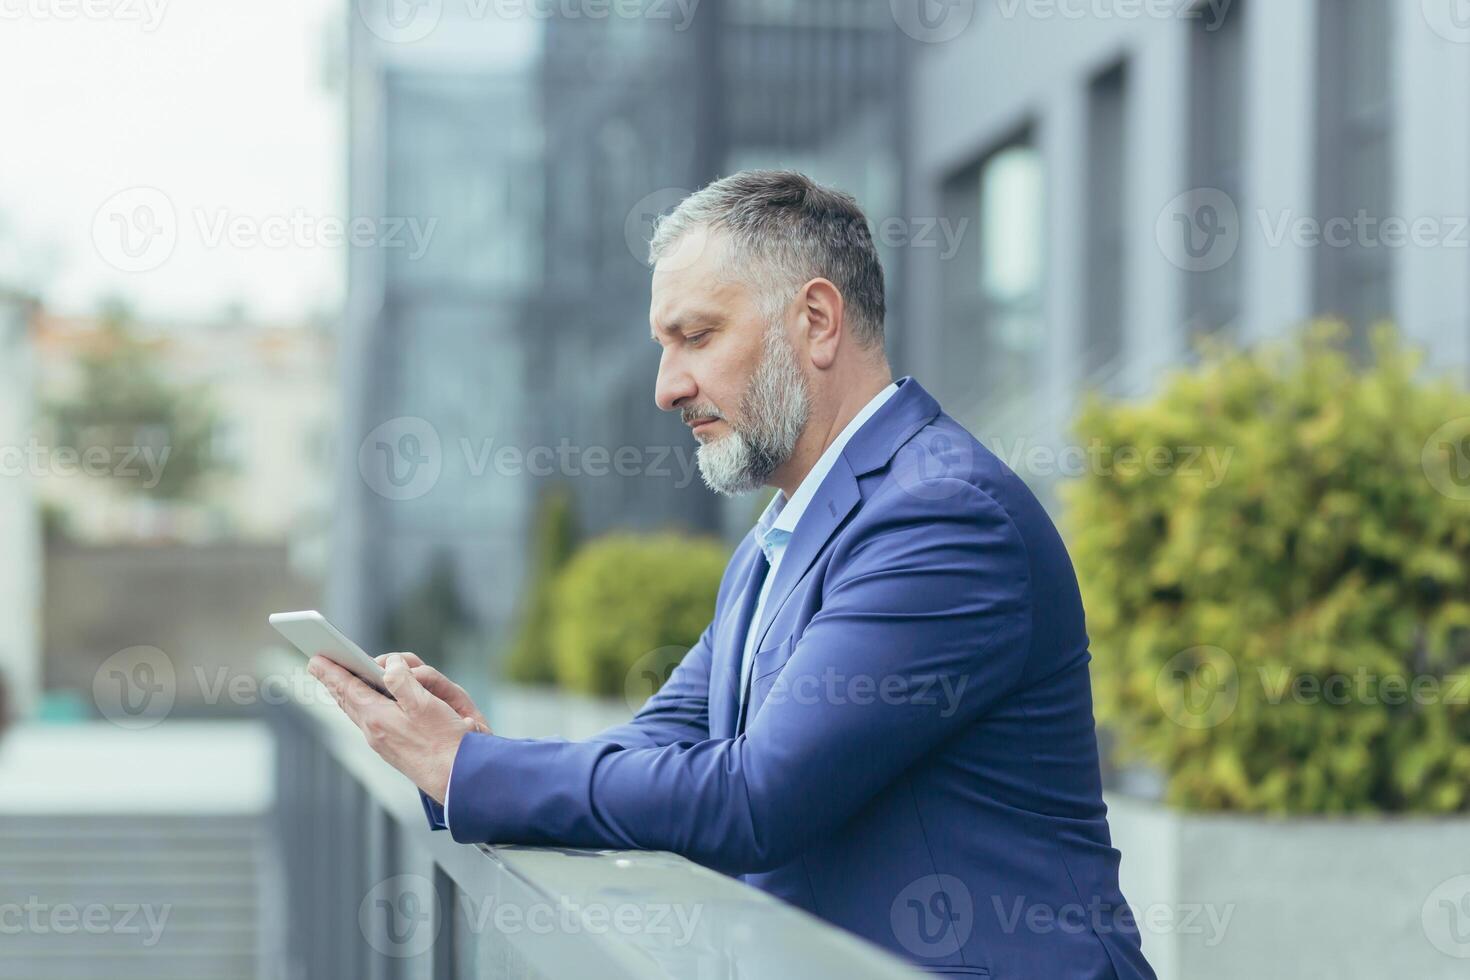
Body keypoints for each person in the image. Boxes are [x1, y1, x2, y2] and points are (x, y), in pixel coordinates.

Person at [311, 170, 1155, 979]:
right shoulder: (774, 542)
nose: (666, 386)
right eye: (664, 345)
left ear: (816, 322)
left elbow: (758, 796)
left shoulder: (941, 516)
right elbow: (658, 750)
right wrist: (474, 758)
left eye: (698, 336)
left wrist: (466, 771)